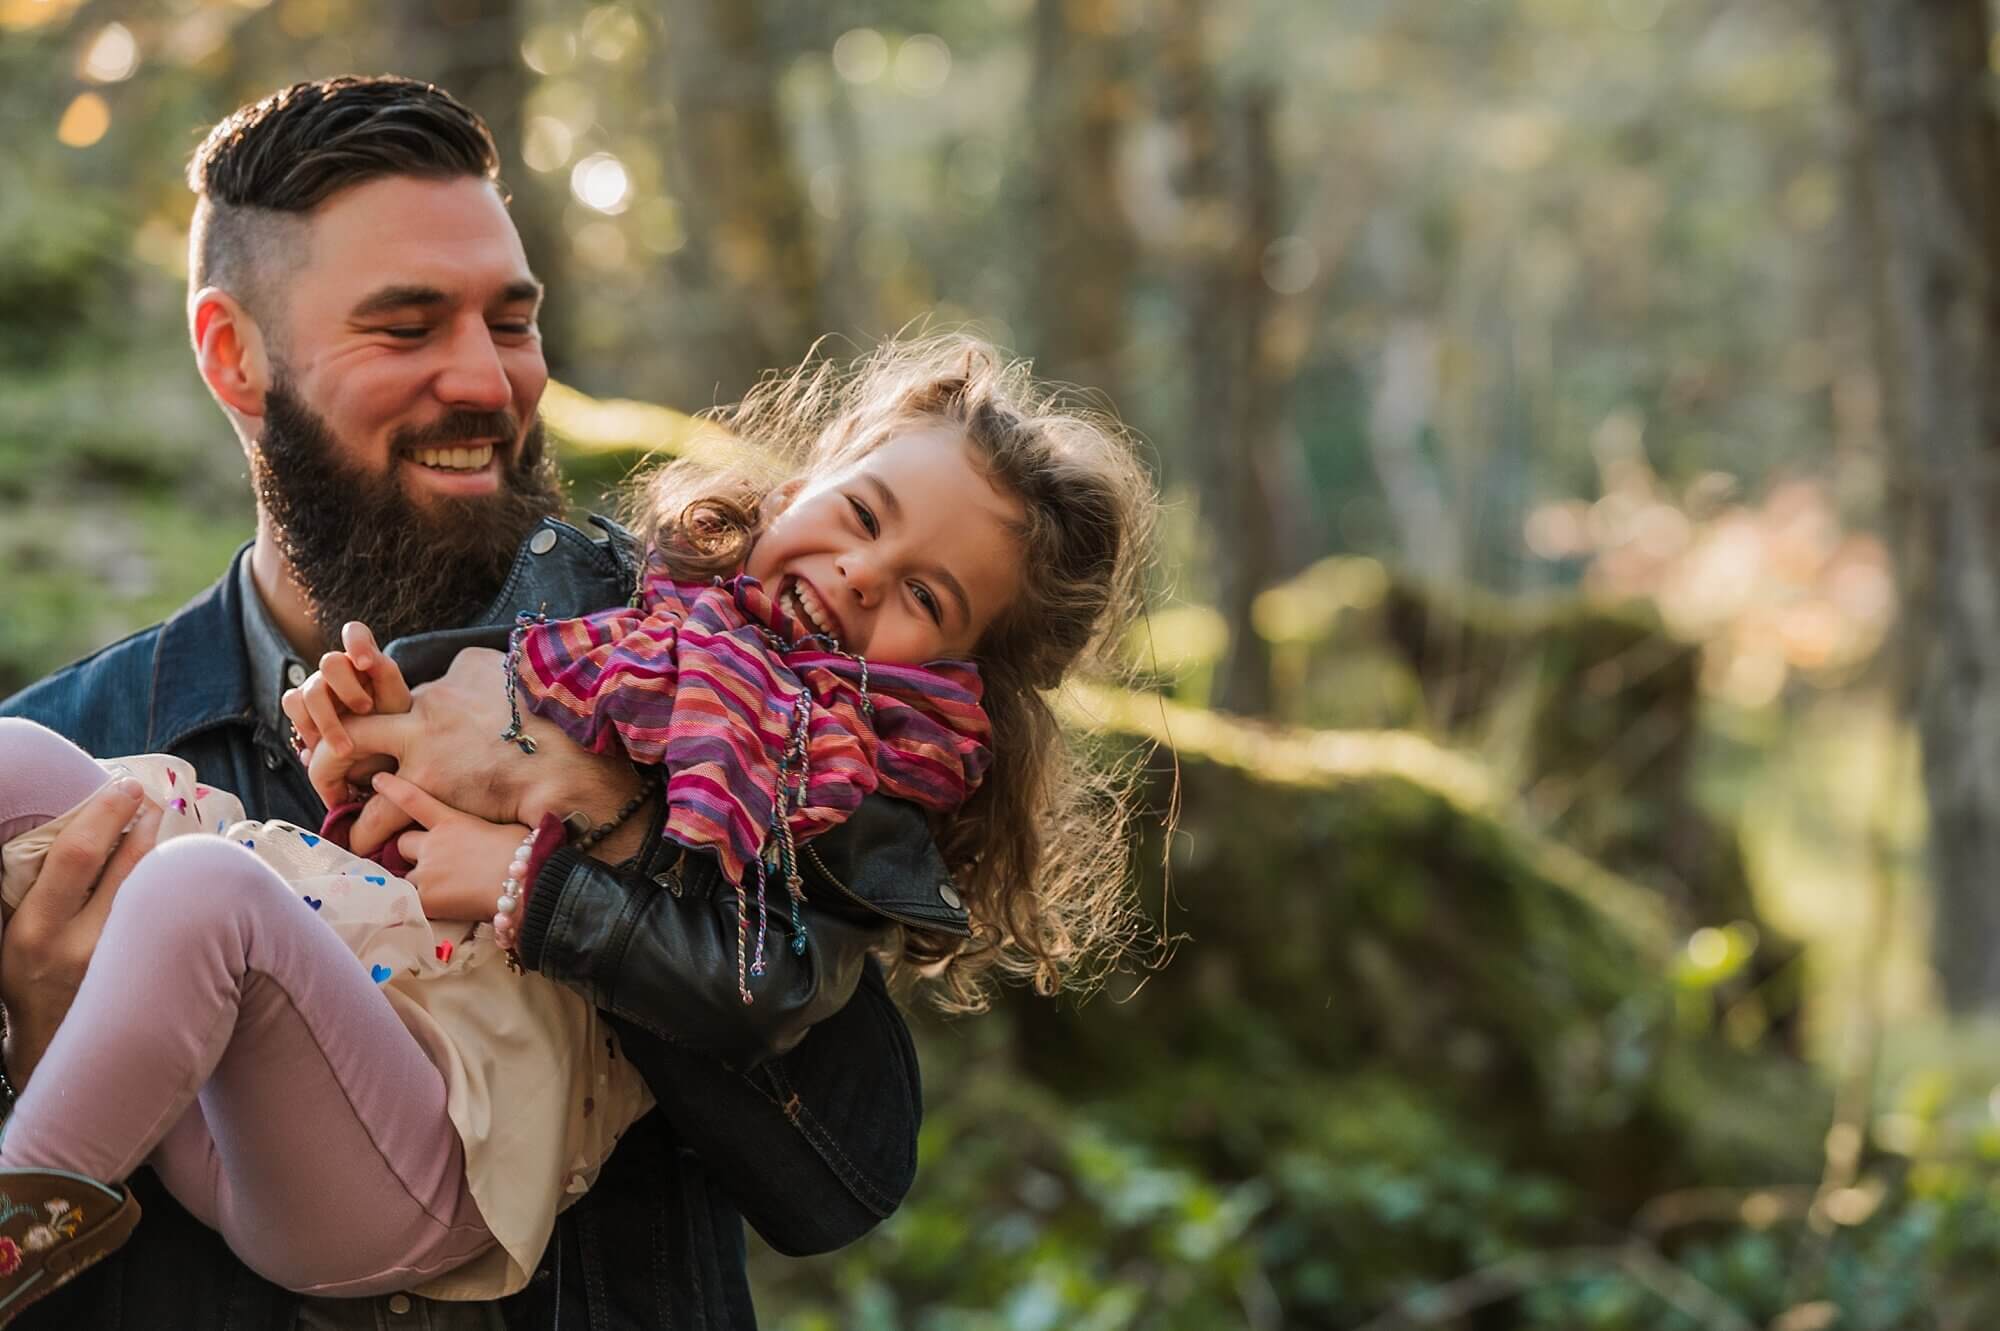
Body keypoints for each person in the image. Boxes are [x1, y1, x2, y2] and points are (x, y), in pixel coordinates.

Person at [0, 76, 984, 1329]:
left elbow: (841, 1175)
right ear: (234, 356)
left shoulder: (691, 698)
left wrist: (618, 830)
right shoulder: (89, 748)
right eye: (406, 327)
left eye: (510, 323)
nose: (485, 381)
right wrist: (37, 1035)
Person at [0, 331, 1153, 1321]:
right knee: (23, 762)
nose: (858, 574)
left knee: (201, 893)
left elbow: (761, 988)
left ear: (965, 676)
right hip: (287, 1050)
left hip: (434, 1126)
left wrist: (540, 866)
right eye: (859, 515)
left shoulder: (852, 793)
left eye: (924, 596)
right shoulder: (618, 603)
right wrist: (366, 719)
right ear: (799, 483)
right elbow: (445, 697)